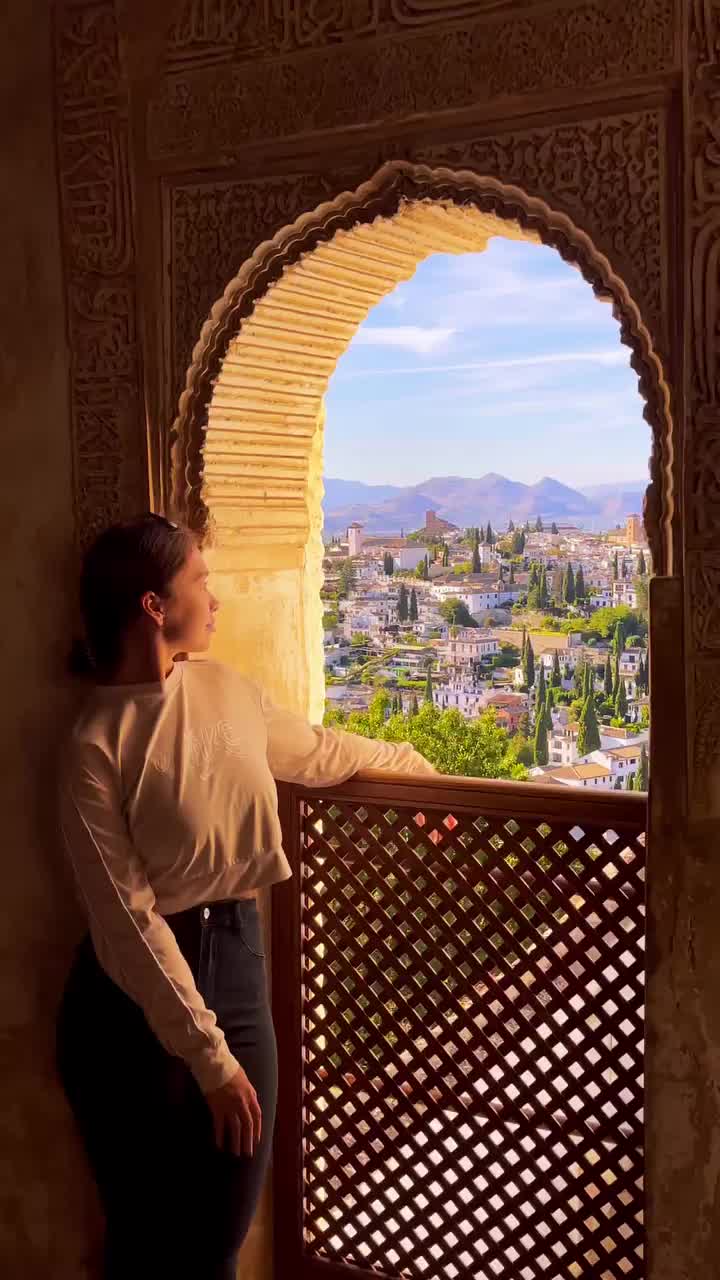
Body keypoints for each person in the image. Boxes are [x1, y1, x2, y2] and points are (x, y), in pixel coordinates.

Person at [56, 513, 436, 1280]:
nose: (215, 598)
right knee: (145, 1240)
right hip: (127, 1012)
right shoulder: (94, 745)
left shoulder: (224, 689)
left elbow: (317, 751)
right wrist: (209, 1059)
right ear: (154, 606)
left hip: (235, 961)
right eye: (201, 579)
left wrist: (412, 767)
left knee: (221, 1234)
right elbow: (127, 923)